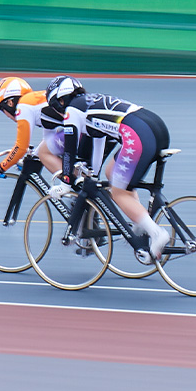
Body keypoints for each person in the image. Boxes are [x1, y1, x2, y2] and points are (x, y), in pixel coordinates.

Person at [36, 76, 172, 261]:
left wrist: (66, 183)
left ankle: (156, 233)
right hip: (154, 126)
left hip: (136, 137)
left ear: (60, 101)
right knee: (111, 173)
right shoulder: (89, 103)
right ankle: (140, 222)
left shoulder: (72, 110)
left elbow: (69, 150)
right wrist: (92, 174)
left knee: (118, 192)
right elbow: (98, 145)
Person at [0, 76, 60, 177]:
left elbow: (21, 147)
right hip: (84, 128)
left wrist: (0, 168)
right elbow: (49, 137)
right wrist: (33, 155)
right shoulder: (35, 102)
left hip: (81, 129)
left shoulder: (23, 106)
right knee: (46, 152)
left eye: (3, 110)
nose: (6, 115)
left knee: (44, 154)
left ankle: (73, 186)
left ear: (10, 103)